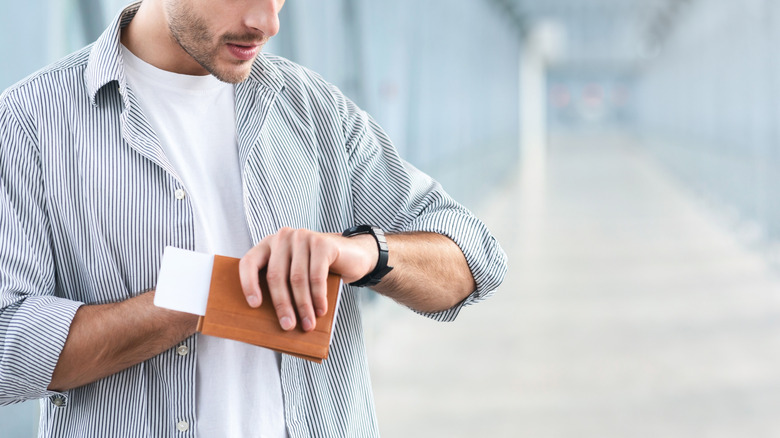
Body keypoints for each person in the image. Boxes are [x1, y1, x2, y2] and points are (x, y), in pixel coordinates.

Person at [0, 0, 507, 436]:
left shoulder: (316, 111)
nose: (267, 21)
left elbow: (475, 259)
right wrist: (211, 295)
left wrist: (360, 252)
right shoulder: (31, 124)